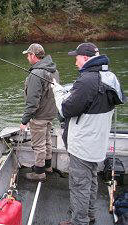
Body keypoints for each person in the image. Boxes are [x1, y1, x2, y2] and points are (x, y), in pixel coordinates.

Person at [51, 43, 126, 225]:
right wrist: (74, 92)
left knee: (79, 186)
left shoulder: (86, 81)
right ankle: (89, 215)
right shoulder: (110, 76)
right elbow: (96, 99)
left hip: (83, 144)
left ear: (85, 58)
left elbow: (66, 109)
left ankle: (79, 221)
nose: (75, 62)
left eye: (76, 58)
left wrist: (58, 91)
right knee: (91, 180)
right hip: (97, 143)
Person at [20, 43, 60, 182]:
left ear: (33, 56)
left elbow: (33, 101)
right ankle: (47, 167)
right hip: (50, 114)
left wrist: (24, 120)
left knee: (38, 145)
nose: (27, 58)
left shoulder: (36, 73)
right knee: (47, 140)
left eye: (28, 55)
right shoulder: (53, 70)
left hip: (39, 116)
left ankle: (39, 172)